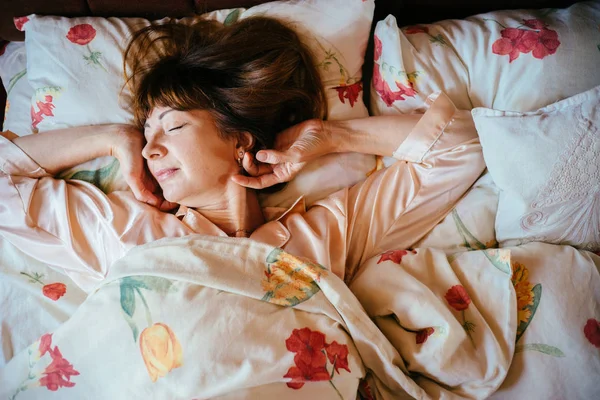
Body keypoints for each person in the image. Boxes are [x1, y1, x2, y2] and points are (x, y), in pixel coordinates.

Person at [0, 17, 485, 292]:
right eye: (146, 134)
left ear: (239, 140)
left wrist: (332, 138)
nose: (151, 148)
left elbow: (464, 145)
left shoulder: (324, 233)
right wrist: (112, 138)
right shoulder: (122, 229)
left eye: (172, 125)